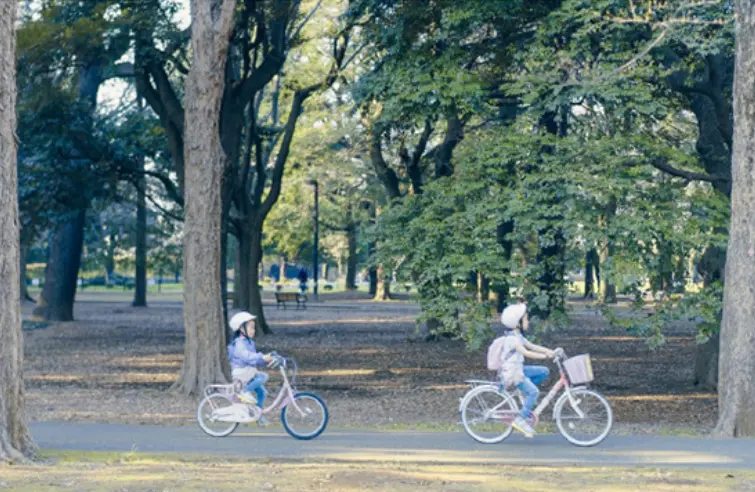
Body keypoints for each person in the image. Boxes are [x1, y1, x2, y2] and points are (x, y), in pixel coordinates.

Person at [496, 301, 557, 438]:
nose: (528, 321)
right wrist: (545, 356)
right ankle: (520, 419)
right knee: (534, 392)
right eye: (525, 319)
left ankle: (525, 392)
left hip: (519, 369)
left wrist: (551, 351)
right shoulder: (512, 339)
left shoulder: (518, 336)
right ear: (517, 323)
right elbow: (527, 352)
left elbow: (532, 346)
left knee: (544, 371)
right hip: (513, 373)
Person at [227, 311, 272, 424]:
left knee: (262, 392)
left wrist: (265, 360)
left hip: (248, 371)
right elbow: (247, 357)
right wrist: (262, 356)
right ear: (242, 329)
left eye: (254, 328)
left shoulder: (249, 342)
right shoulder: (239, 343)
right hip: (241, 372)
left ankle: (258, 415)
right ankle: (244, 391)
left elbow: (253, 359)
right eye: (251, 328)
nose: (254, 330)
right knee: (263, 376)